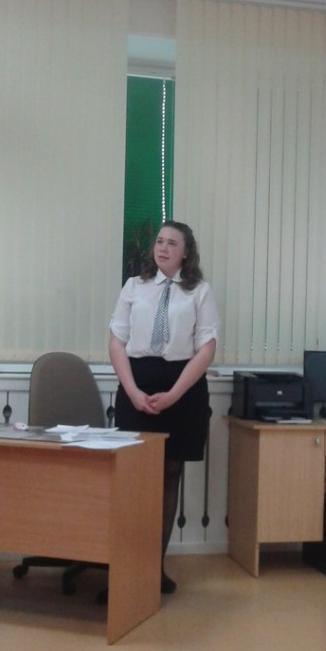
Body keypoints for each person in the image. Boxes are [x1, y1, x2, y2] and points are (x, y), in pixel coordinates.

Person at [109, 220, 219, 594]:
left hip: (182, 387)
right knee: (133, 477)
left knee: (169, 474)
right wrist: (132, 391)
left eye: (172, 243)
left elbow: (206, 348)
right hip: (137, 383)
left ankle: (153, 568)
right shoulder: (134, 286)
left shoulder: (199, 292)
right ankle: (127, 569)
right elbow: (116, 341)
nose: (163, 248)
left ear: (186, 253)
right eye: (159, 241)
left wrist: (173, 394)